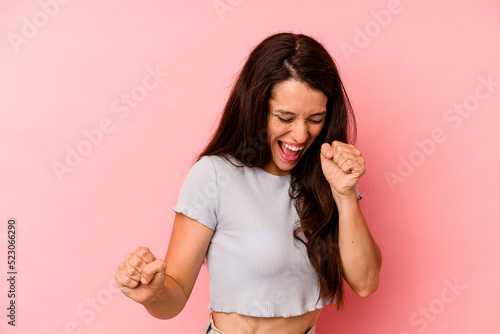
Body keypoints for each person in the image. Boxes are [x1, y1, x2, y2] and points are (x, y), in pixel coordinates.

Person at [115, 32, 382, 334]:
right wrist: (154, 293)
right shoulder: (215, 176)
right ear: (256, 107)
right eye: (285, 117)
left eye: (315, 119)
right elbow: (173, 299)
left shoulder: (329, 173)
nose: (300, 135)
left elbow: (366, 283)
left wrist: (345, 194)